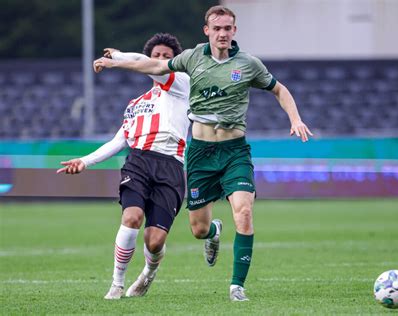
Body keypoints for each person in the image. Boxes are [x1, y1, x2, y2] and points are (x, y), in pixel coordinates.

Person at [93, 5, 312, 302]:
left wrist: (295, 118)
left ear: (234, 31)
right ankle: (213, 233)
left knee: (245, 213)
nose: (222, 33)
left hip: (235, 151)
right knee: (198, 229)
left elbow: (279, 89)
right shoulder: (193, 58)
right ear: (206, 30)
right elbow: (154, 65)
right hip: (200, 153)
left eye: (227, 28)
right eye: (217, 28)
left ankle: (237, 287)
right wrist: (116, 60)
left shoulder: (248, 64)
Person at [58, 33, 190, 300]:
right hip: (138, 162)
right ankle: (117, 283)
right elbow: (118, 141)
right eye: (157, 56)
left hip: (171, 167)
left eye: (167, 57)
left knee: (154, 242)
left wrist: (116, 59)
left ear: (174, 61)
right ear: (148, 59)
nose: (161, 61)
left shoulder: (182, 84)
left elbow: (143, 63)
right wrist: (84, 161)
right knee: (131, 218)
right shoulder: (135, 105)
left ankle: (148, 273)